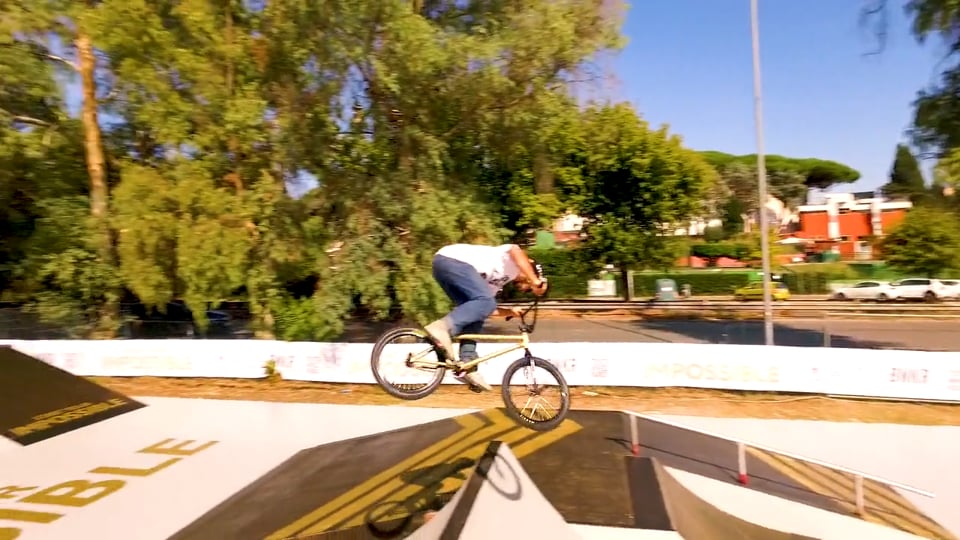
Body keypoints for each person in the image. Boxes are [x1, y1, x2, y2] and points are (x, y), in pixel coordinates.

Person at [424, 243, 549, 392]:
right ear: (530, 268)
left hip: (443, 268)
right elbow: (516, 250)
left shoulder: (500, 281)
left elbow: (486, 308)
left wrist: (510, 312)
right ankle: (442, 328)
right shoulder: (514, 261)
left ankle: (468, 363)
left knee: (478, 311)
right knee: (485, 301)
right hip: (452, 260)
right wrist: (535, 280)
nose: (524, 288)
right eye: (527, 284)